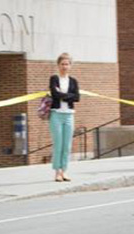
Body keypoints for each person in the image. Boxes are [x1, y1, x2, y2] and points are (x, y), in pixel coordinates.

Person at [49, 52, 80, 182]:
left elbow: (77, 97)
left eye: (67, 64)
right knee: (58, 144)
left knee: (67, 145)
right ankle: (57, 171)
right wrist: (68, 95)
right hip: (56, 114)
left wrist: (63, 94)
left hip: (69, 115)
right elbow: (54, 94)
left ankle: (64, 171)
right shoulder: (54, 79)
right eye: (62, 64)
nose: (64, 66)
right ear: (58, 65)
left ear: (70, 65)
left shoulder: (73, 81)